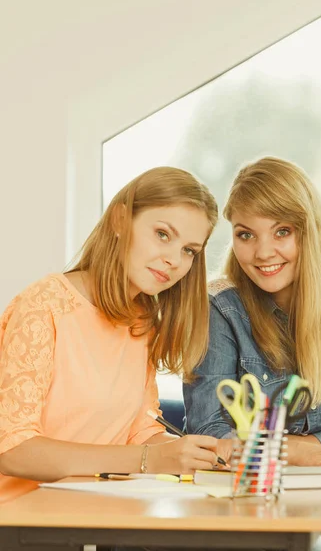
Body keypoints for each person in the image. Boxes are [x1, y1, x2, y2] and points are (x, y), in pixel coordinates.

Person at [0, 166, 223, 504]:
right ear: (120, 220)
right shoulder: (44, 306)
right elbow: (12, 448)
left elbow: (140, 432)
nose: (174, 260)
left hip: (89, 514)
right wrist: (149, 461)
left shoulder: (143, 321)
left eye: (189, 250)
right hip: (18, 519)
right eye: (163, 234)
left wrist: (204, 454)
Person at [184, 156, 321, 478]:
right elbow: (208, 431)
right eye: (246, 235)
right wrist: (298, 451)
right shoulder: (220, 306)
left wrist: (302, 450)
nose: (263, 252)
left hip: (316, 489)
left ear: (310, 232)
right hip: (237, 492)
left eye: (282, 231)